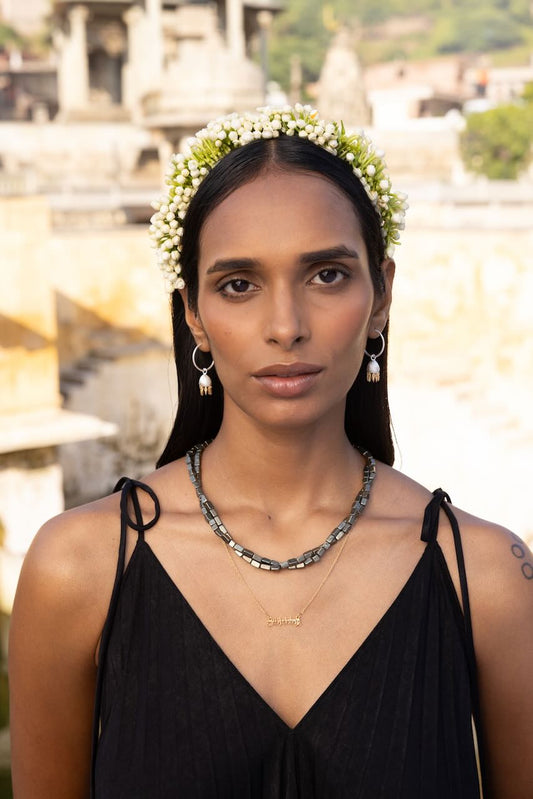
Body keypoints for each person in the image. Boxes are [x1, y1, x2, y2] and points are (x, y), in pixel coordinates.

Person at [8, 105, 533, 799]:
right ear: (192, 312)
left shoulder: (488, 579)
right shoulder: (77, 569)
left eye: (325, 276)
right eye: (237, 285)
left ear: (381, 295)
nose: (284, 326)